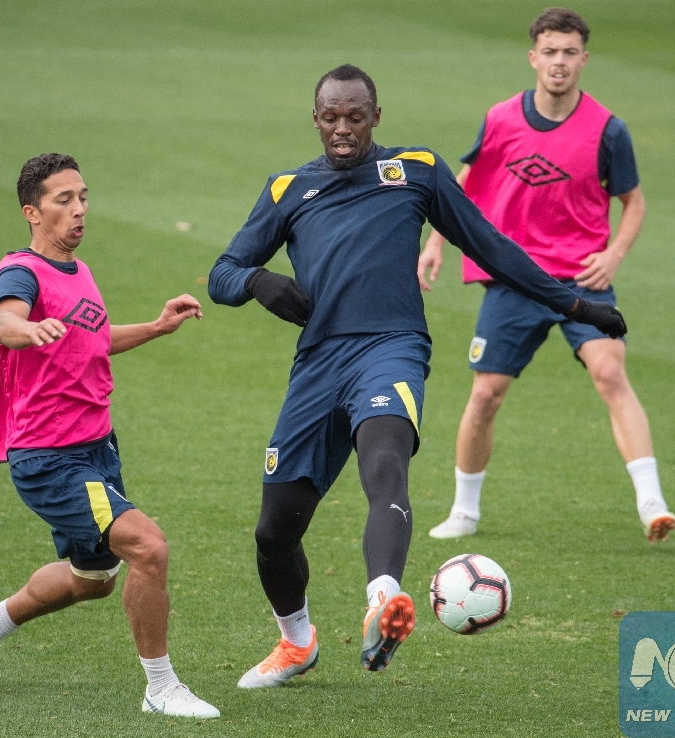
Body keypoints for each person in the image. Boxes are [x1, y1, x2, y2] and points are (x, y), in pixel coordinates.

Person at [208, 64, 626, 688]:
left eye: (355, 117)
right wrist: (257, 280)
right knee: (274, 531)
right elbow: (222, 273)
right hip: (319, 363)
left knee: (385, 465)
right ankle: (296, 643)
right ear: (315, 119)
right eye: (332, 117)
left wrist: (575, 305)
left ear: (376, 117)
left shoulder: (417, 170)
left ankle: (382, 600)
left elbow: (490, 246)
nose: (343, 128)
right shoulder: (288, 190)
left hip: (392, 348)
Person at [0, 153, 219, 719]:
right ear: (32, 212)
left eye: (83, 197)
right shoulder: (20, 272)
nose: (79, 210)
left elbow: (92, 340)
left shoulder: (79, 270)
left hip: (97, 449)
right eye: (64, 200)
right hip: (51, 459)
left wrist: (156, 327)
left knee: (92, 579)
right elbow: (4, 322)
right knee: (149, 548)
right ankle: (161, 688)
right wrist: (26, 329)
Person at [419, 8, 675, 543]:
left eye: (570, 52)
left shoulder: (608, 130)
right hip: (515, 277)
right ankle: (464, 512)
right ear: (533, 57)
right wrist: (436, 240)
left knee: (610, 373)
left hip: (582, 279)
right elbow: (465, 180)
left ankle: (652, 503)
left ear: (584, 59)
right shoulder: (500, 118)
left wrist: (614, 255)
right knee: (486, 395)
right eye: (551, 51)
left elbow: (633, 201)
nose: (560, 62)